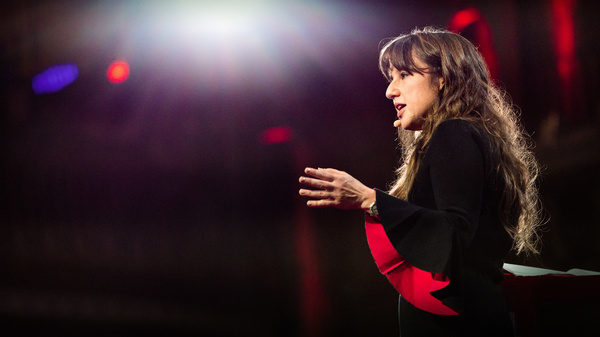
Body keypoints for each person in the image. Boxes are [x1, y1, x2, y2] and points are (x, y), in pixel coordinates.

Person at [298, 27, 543, 336]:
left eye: (404, 75)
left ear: (443, 77)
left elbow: (454, 234)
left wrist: (368, 199)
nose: (390, 91)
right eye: (391, 79)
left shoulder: (453, 132)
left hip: (454, 322)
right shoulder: (469, 132)